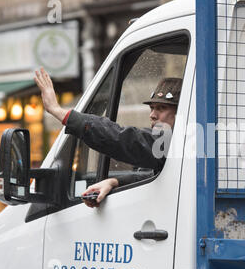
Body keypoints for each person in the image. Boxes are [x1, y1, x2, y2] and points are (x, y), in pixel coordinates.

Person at [34, 67, 182, 207]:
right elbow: (151, 175)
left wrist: (59, 112)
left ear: (181, 112)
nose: (152, 115)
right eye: (152, 108)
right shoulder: (181, 146)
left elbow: (122, 139)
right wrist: (114, 181)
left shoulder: (176, 141)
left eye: (161, 108)